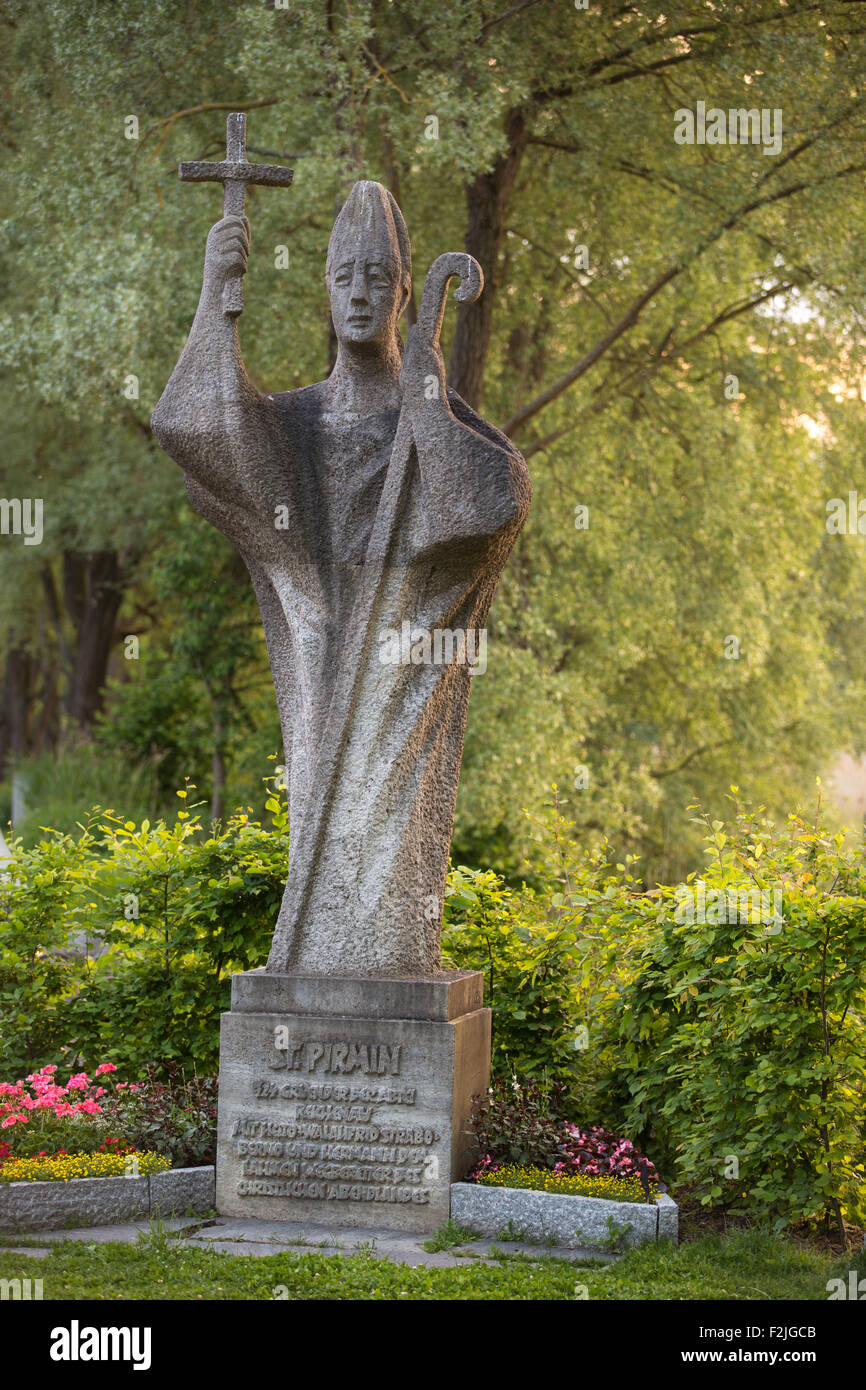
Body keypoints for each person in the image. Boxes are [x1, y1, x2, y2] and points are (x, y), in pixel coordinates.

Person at [152, 181, 530, 976]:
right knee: (325, 849)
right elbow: (196, 427)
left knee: (383, 915)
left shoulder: (429, 419)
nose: (359, 293)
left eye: (379, 276)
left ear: (403, 289)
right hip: (324, 685)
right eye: (343, 275)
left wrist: (424, 379)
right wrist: (216, 298)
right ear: (324, 286)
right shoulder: (290, 425)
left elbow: (490, 501)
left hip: (392, 701)